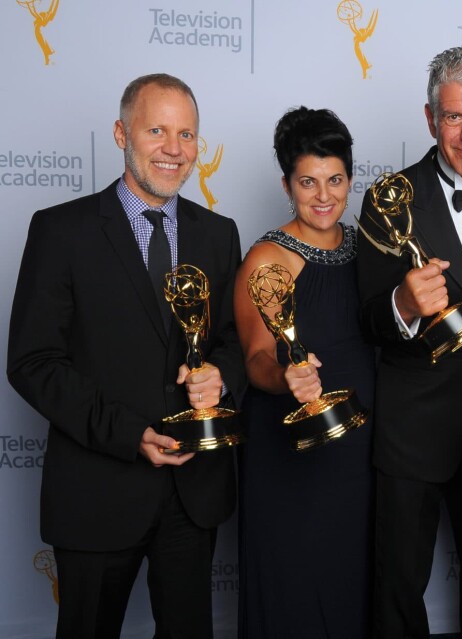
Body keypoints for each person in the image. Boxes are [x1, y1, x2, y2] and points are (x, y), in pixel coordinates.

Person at [6, 73, 245, 638]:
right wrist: (127, 433)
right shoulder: (60, 231)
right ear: (121, 133)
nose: (174, 149)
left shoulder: (218, 234)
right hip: (98, 488)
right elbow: (33, 362)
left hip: (193, 495)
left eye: (186, 134)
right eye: (156, 129)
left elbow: (234, 342)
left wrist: (220, 376)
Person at [356, 43, 462, 638]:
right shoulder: (388, 199)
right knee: (398, 586)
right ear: (430, 119)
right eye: (453, 116)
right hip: (413, 428)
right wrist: (400, 303)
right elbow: (366, 319)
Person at [234, 107, 375, 638]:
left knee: (350, 588)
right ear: (287, 184)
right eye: (307, 182)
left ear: (350, 179)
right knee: (293, 591)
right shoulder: (269, 258)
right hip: (290, 459)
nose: (323, 196)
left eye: (335, 180)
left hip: (359, 453)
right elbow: (255, 360)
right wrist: (286, 376)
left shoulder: (368, 248)